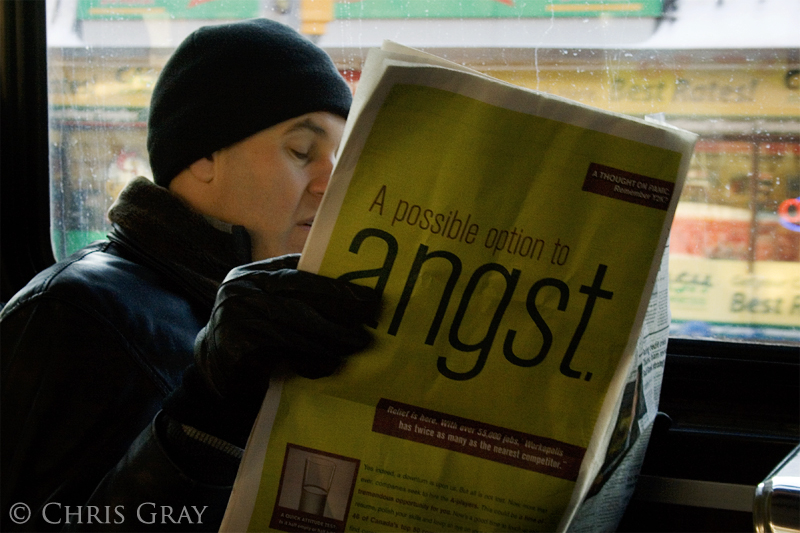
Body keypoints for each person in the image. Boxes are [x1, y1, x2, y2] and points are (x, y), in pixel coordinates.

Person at [0, 18, 380, 532]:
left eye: (342, 158)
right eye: (301, 151)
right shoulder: (74, 311)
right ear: (204, 155)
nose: (330, 183)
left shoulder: (287, 315)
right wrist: (205, 419)